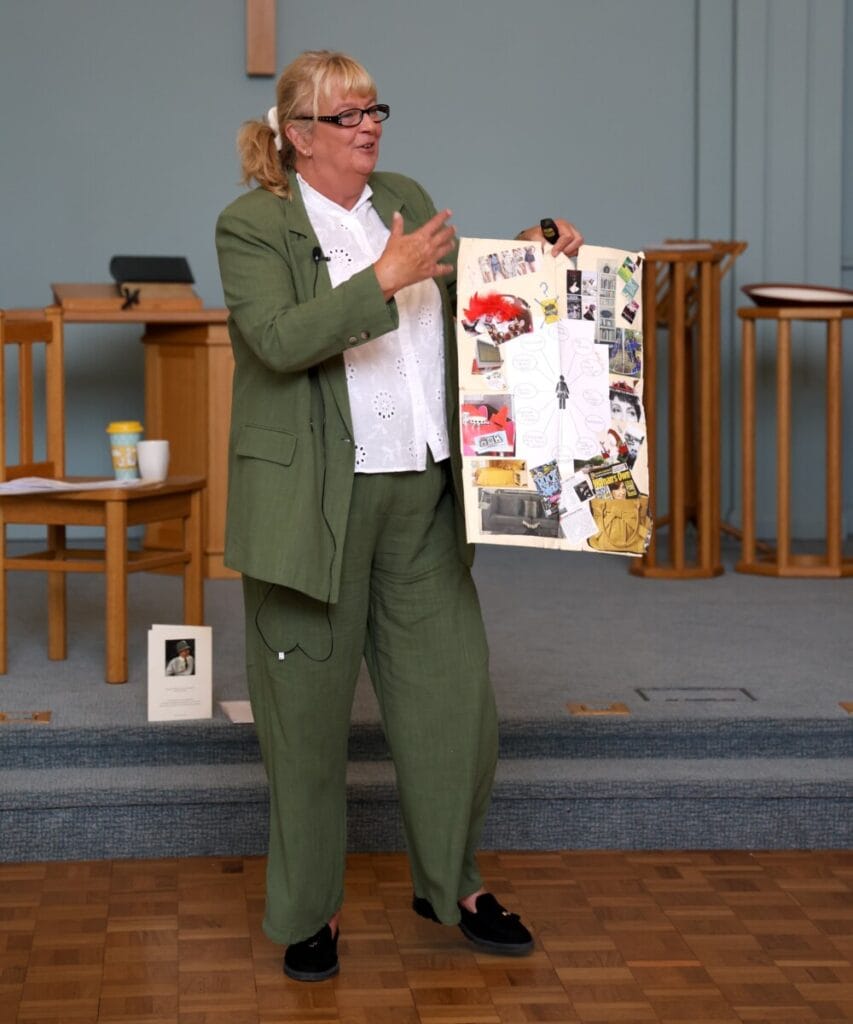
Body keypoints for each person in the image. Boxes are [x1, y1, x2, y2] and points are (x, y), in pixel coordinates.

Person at [215, 49, 583, 984]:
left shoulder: (405, 194)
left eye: (374, 107)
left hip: (422, 495)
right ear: (298, 136)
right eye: (345, 114)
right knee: (304, 724)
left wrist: (533, 258)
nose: (368, 124)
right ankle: (311, 913)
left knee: (454, 705)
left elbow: (466, 298)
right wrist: (380, 278)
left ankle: (452, 884)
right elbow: (277, 339)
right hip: (313, 507)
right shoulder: (252, 225)